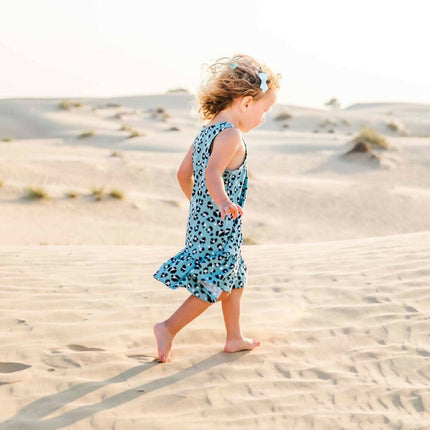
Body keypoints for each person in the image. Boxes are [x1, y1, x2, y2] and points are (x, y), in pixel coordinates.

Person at [153, 54, 281, 363]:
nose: (264, 118)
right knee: (218, 284)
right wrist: (221, 203)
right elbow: (212, 172)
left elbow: (184, 175)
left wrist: (201, 206)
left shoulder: (206, 131)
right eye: (265, 111)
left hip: (206, 221)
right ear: (246, 103)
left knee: (235, 279)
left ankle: (234, 337)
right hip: (220, 224)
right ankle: (168, 327)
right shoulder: (231, 134)